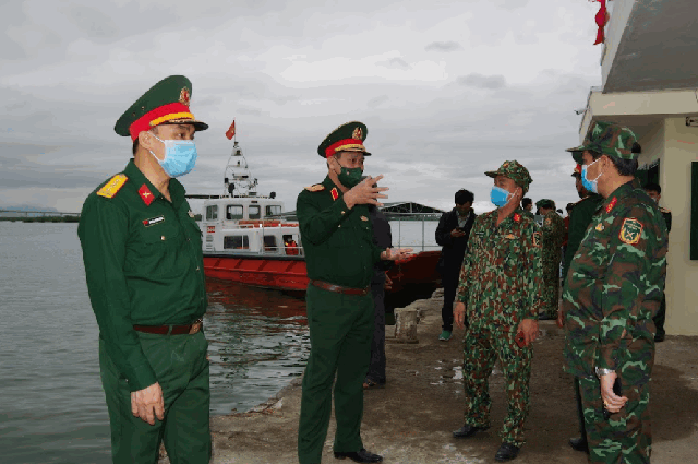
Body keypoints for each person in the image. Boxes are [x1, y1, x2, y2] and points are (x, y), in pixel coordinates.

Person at [78, 75, 211, 463]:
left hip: (190, 349)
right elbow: (108, 300)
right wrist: (139, 376)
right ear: (147, 138)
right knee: (137, 456)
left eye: (191, 136)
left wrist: (195, 345)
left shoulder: (178, 198)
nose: (189, 144)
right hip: (144, 352)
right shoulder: (111, 203)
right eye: (180, 134)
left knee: (196, 456)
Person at [296, 121, 412, 464]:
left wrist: (386, 256)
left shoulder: (363, 203)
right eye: (350, 160)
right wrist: (347, 199)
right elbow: (314, 234)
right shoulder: (312, 197)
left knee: (352, 378)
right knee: (319, 381)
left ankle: (348, 443)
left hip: (362, 299)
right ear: (332, 161)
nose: (358, 166)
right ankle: (309, 456)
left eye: (361, 161)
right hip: (329, 300)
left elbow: (360, 251)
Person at [563, 123, 667, 463]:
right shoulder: (611, 208)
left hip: (617, 352)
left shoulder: (632, 211)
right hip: (598, 349)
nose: (582, 169)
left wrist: (608, 367)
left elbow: (622, 292)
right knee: (607, 446)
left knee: (621, 444)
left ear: (604, 162)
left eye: (586, 161)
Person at [452, 160, 543, 462]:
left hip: (511, 320)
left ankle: (513, 435)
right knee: (474, 372)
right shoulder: (481, 223)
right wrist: (461, 298)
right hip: (479, 315)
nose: (495, 188)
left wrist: (530, 316)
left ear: (518, 191)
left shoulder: (528, 226)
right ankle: (477, 418)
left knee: (516, 380)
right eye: (495, 182)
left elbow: (535, 273)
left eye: (501, 183)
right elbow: (468, 264)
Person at [561, 130, 606, 454]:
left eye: (581, 170)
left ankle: (598, 436)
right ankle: (590, 433)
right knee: (588, 375)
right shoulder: (589, 209)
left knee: (597, 375)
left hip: (598, 311)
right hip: (589, 309)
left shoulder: (606, 210)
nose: (578, 177)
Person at [360, 167, 394, 390]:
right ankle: (366, 371)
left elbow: (385, 255)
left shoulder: (377, 220)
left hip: (371, 280)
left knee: (374, 329)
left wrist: (381, 272)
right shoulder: (363, 218)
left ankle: (375, 374)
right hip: (362, 281)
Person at [435, 189, 476, 341]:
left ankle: (470, 330)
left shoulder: (476, 220)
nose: (462, 209)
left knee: (471, 300)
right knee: (448, 299)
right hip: (450, 263)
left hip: (470, 265)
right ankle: (447, 329)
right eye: (459, 206)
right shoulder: (447, 217)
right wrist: (450, 235)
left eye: (464, 206)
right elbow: (438, 238)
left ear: (470, 204)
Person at [644, 182, 672, 343]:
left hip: (657, 261)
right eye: (647, 193)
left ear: (659, 196)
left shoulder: (665, 214)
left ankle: (658, 330)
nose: (650, 196)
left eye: (652, 194)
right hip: (640, 261)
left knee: (658, 295)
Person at [535, 199, 565, 320]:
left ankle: (550, 311)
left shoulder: (549, 217)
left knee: (549, 284)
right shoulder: (557, 217)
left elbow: (547, 233)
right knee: (552, 282)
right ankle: (550, 309)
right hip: (554, 253)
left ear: (543, 208)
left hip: (548, 254)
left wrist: (538, 233)